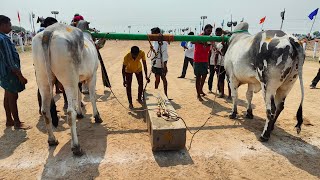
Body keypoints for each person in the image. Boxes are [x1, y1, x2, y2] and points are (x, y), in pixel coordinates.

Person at [0, 15, 30, 129]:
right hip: (10, 73)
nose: (11, 27)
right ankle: (17, 122)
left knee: (7, 96)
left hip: (3, 73)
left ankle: (9, 120)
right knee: (13, 97)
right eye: (9, 25)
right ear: (3, 25)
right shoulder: (4, 39)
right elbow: (10, 60)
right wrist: (20, 76)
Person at [193, 24, 213, 101]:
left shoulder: (210, 38)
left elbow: (210, 48)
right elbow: (192, 41)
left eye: (211, 31)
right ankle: (198, 94)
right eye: (208, 31)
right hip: (197, 60)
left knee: (204, 75)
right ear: (204, 30)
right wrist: (201, 41)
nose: (209, 32)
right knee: (198, 77)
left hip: (205, 60)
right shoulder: (199, 36)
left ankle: (200, 89)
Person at [150, 27, 170, 98]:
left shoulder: (163, 42)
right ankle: (156, 93)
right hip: (155, 63)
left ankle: (165, 94)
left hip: (162, 64)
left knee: (164, 79)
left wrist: (165, 65)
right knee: (157, 79)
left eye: (153, 34)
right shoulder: (154, 41)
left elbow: (165, 54)